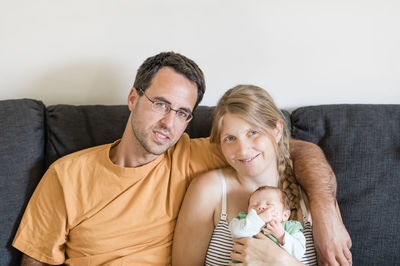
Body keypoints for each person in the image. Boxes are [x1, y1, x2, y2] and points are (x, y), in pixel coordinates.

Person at [12, 52, 351, 265]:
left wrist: (323, 209)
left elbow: (289, 149)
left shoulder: (193, 154)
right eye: (160, 103)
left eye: (182, 112)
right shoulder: (67, 174)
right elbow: (36, 260)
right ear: (133, 98)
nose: (167, 122)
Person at [172, 85, 349, 265]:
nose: (243, 150)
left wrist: (281, 261)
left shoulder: (313, 190)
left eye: (253, 132)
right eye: (230, 138)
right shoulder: (209, 189)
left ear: (277, 130)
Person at [230, 186, 306, 260]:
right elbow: (235, 232)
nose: (260, 207)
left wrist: (282, 236)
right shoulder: (243, 220)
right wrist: (258, 219)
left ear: (285, 215)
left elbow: (298, 253)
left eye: (269, 204)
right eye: (255, 205)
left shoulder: (290, 227)